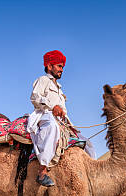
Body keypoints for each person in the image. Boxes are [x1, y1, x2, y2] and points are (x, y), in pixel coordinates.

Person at [26, 50, 94, 187]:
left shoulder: (60, 89)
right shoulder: (43, 80)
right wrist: (53, 107)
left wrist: (71, 125)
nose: (62, 69)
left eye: (62, 67)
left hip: (62, 121)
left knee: (86, 142)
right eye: (59, 66)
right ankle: (42, 171)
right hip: (44, 115)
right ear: (50, 66)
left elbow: (63, 111)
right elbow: (35, 97)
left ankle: (92, 175)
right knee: (52, 128)